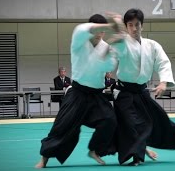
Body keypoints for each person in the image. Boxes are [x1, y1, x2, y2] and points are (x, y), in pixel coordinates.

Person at [35, 14, 124, 168]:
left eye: (103, 30)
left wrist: (114, 43)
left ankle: (95, 150)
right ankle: (44, 158)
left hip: (97, 95)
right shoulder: (79, 40)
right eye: (97, 28)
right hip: (77, 93)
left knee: (110, 120)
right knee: (62, 127)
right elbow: (81, 29)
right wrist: (113, 26)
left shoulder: (107, 47)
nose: (99, 32)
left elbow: (107, 67)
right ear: (91, 28)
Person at [112, 9, 175, 166]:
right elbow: (113, 54)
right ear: (126, 26)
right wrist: (116, 32)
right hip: (124, 93)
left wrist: (163, 82)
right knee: (133, 124)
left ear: (142, 25)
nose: (134, 28)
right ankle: (136, 156)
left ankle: (161, 142)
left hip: (141, 91)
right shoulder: (122, 43)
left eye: (137, 25)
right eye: (130, 25)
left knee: (158, 118)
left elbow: (163, 62)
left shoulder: (152, 45)